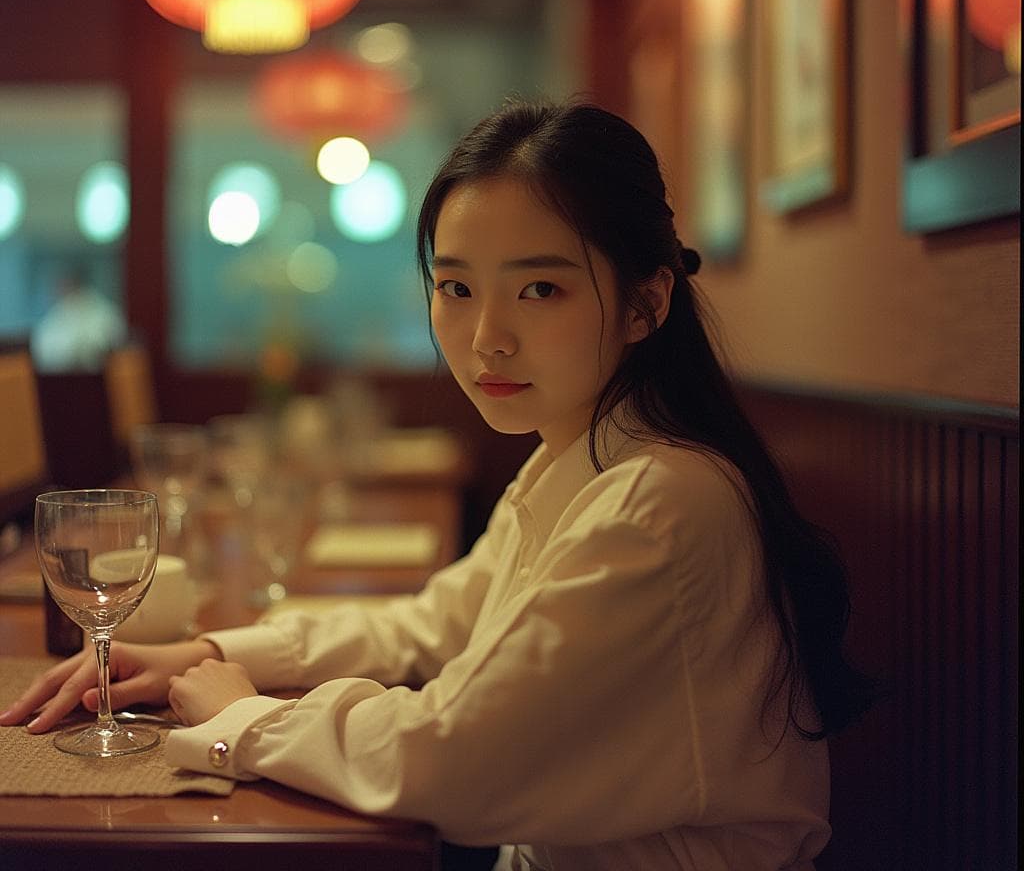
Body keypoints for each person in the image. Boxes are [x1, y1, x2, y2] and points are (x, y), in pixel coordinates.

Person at [1, 102, 875, 870]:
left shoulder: (658, 502)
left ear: (648, 301)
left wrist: (243, 720)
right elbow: (437, 625)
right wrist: (217, 654)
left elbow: (456, 763)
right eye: (455, 286)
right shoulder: (586, 457)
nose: (487, 336)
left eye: (539, 288)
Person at [30, 264, 127, 372]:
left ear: (78, 285)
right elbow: (43, 350)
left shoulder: (100, 310)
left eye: (66, 285)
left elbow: (107, 341)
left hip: (98, 376)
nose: (61, 291)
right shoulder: (54, 317)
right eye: (59, 287)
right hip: (56, 378)